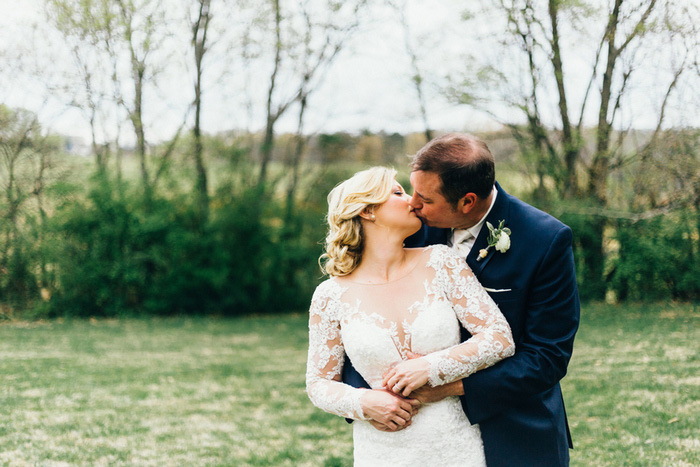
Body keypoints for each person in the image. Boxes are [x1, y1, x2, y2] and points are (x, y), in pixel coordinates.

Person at [344, 133, 581, 466]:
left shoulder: (545, 240)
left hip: (515, 431)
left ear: (467, 202)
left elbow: (548, 355)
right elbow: (360, 313)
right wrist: (369, 396)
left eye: (425, 198)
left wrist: (449, 386)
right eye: (412, 191)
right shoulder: (411, 228)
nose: (413, 203)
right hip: (415, 434)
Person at [305, 166, 515, 466]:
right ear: (367, 211)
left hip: (454, 446)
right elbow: (319, 383)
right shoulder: (330, 296)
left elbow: (499, 337)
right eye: (397, 192)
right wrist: (363, 403)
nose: (412, 200)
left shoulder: (442, 262)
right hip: (381, 450)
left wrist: (430, 367)